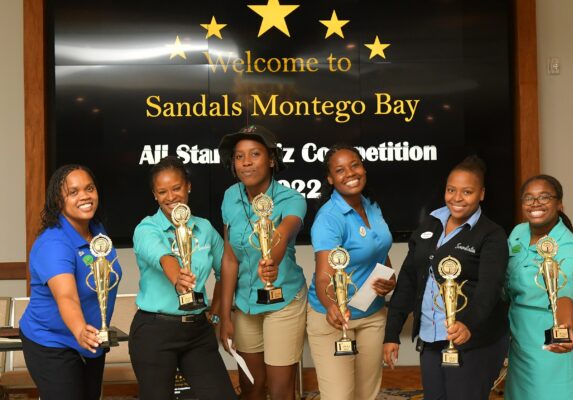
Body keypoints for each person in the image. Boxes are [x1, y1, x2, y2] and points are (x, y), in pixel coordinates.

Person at [383, 155, 509, 400]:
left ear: (481, 194)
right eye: (451, 190)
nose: (457, 198)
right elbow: (409, 279)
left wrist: (468, 323)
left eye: (467, 191)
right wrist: (392, 334)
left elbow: (490, 288)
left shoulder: (491, 234)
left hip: (473, 340)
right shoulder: (431, 223)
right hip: (431, 339)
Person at [129, 156, 236, 400]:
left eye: (176, 188)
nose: (170, 197)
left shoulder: (205, 228)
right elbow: (163, 256)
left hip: (197, 331)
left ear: (188, 186)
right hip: (155, 331)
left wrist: (217, 313)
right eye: (162, 192)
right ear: (155, 195)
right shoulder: (146, 229)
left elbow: (226, 271)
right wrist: (178, 278)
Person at [218, 125, 307, 400]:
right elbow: (230, 258)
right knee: (251, 386)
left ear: (271, 159)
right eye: (239, 156)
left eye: (254, 154)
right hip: (245, 304)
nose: (246, 162)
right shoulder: (230, 197)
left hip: (283, 301)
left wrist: (271, 259)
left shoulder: (291, 199)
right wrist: (225, 314)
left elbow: (285, 231)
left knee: (281, 390)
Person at [19, 164, 122, 400]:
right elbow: (66, 295)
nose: (85, 196)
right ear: (58, 200)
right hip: (51, 342)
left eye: (89, 188)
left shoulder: (97, 231)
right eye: (73, 192)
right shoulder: (53, 244)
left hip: (92, 343)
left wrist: (90, 335)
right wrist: (79, 329)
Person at [306, 145, 396, 400]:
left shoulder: (371, 204)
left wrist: (391, 278)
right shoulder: (329, 218)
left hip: (372, 313)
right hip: (334, 318)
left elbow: (380, 250)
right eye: (340, 170)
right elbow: (324, 275)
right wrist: (333, 306)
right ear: (330, 179)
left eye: (354, 165)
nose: (350, 173)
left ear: (363, 168)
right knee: (339, 396)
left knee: (367, 394)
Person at [503, 175, 573, 400]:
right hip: (520, 335)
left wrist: (564, 329)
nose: (535, 203)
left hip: (552, 337)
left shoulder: (568, 245)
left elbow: (564, 290)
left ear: (560, 204)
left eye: (544, 197)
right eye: (528, 198)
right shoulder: (518, 232)